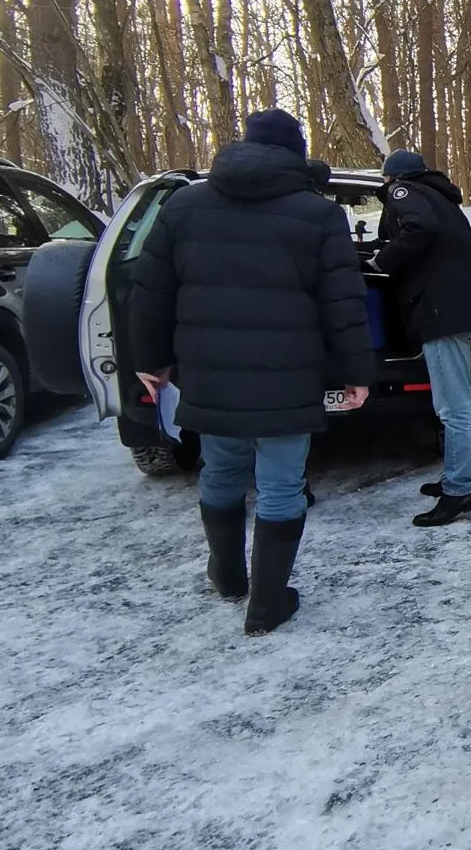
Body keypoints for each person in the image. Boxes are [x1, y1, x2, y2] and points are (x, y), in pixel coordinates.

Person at [130, 109, 374, 635]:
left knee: (220, 469)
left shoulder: (184, 206)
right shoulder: (317, 215)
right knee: (281, 484)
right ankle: (266, 604)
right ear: (297, 154)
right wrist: (356, 371)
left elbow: (150, 292)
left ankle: (226, 576)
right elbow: (344, 303)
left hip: (210, 371)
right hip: (288, 374)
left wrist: (150, 360)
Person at [373, 150, 471, 527]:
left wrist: (382, 260)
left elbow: (419, 229)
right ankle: (459, 477)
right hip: (469, 310)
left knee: (454, 407)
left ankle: (458, 491)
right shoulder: (444, 200)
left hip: (441, 312)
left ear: (392, 177)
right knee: (469, 401)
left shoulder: (404, 192)